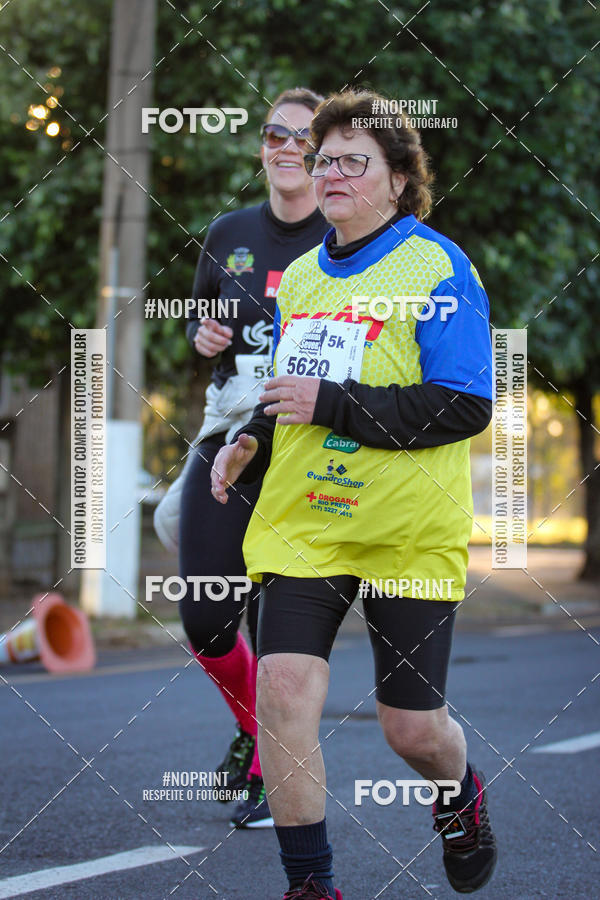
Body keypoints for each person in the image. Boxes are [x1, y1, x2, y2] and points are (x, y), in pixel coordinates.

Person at [211, 89, 497, 898]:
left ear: (399, 179)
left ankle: (459, 794)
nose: (329, 172)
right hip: (307, 522)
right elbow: (291, 392)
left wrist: (334, 404)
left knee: (411, 729)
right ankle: (311, 884)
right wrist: (250, 442)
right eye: (323, 158)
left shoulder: (438, 267)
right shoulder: (302, 276)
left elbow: (466, 403)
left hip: (406, 530)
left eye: (352, 161)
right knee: (283, 690)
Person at [168, 87, 328, 830]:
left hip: (306, 437)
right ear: (261, 146)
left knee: (271, 613)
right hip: (229, 426)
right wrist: (200, 336)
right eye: (274, 134)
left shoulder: (343, 236)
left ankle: (269, 768)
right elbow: (204, 329)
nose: (287, 147)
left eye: (304, 138)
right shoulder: (227, 232)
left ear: (323, 155)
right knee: (205, 613)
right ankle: (251, 725)